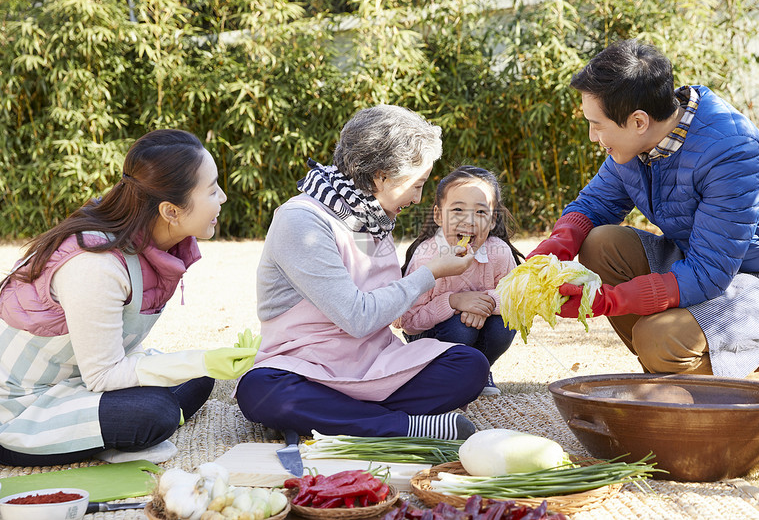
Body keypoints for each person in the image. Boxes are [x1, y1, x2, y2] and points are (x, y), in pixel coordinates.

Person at [530, 39, 759, 386]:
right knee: (600, 243)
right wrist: (549, 253)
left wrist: (604, 300)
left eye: (597, 124)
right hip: (702, 263)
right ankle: (670, 374)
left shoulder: (733, 153)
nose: (593, 136)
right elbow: (594, 205)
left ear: (638, 121)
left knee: (659, 339)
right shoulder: (639, 144)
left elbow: (708, 274)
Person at [0, 129, 260, 467]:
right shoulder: (95, 264)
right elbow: (104, 375)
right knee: (155, 413)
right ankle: (117, 434)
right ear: (170, 210)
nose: (223, 198)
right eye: (212, 190)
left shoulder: (147, 240)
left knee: (198, 379)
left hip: (76, 380)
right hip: (21, 407)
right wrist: (200, 359)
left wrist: (203, 363)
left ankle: (111, 432)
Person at [236, 105, 489, 441]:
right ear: (381, 175)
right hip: (305, 368)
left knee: (469, 366)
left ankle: (333, 416)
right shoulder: (302, 221)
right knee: (260, 392)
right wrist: (430, 273)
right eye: (417, 184)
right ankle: (403, 426)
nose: (418, 198)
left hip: (375, 362)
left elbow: (378, 293)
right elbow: (357, 316)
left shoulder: (369, 219)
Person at [395, 166, 524, 396]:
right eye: (457, 209)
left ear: (494, 220)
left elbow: (517, 298)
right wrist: (454, 302)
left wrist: (488, 303)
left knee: (504, 325)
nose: (469, 220)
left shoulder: (499, 253)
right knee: (461, 328)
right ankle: (441, 375)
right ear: (438, 215)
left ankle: (481, 372)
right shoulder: (427, 256)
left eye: (481, 212)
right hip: (428, 334)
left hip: (479, 326)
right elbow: (408, 321)